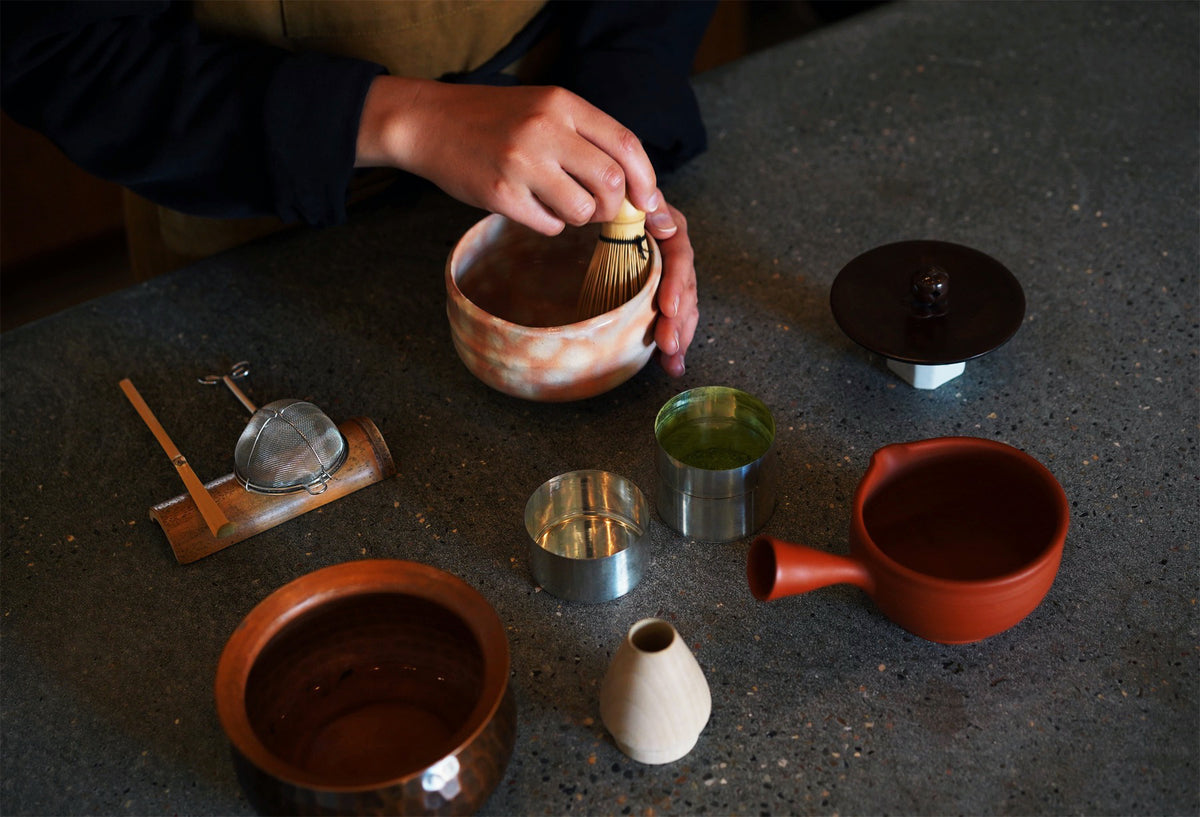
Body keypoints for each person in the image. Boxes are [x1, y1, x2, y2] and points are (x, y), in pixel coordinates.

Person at [1, 1, 714, 376]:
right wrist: (405, 119)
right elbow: (66, 52)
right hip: (252, 214)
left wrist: (617, 151)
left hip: (546, 137)